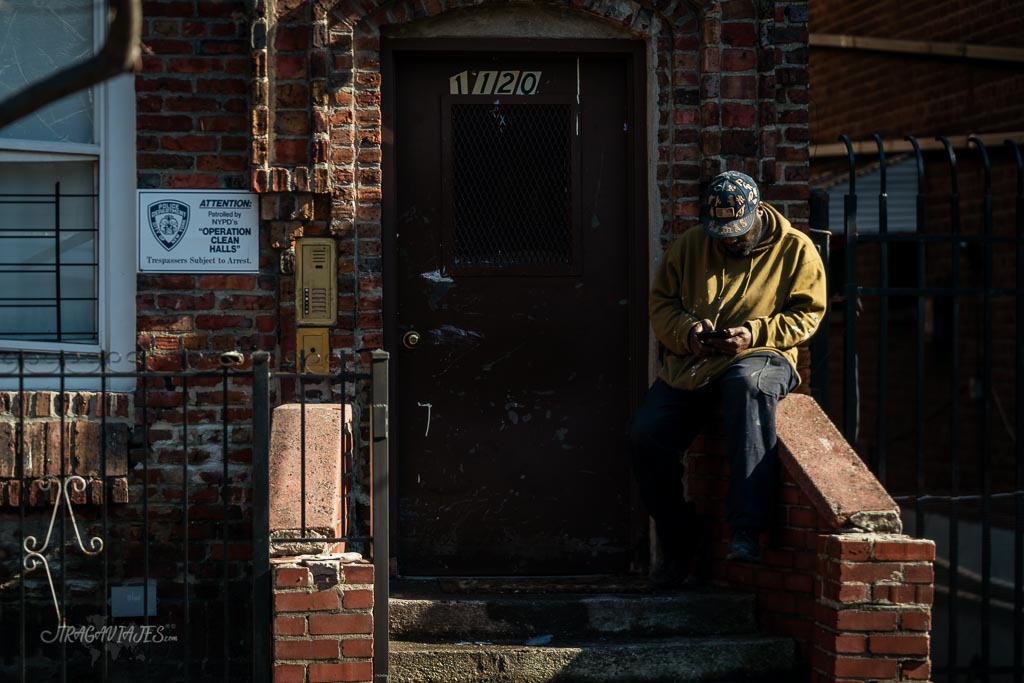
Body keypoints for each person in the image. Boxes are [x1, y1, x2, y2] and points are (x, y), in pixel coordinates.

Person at [629, 170, 827, 588]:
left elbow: (808, 314)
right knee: (645, 433)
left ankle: (746, 529)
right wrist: (689, 333)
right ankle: (680, 535)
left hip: (762, 354)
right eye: (720, 232)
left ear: (757, 211)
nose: (729, 240)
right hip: (695, 362)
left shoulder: (796, 249)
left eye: (737, 232)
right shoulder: (691, 245)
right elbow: (661, 304)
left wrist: (754, 333)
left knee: (748, 385)